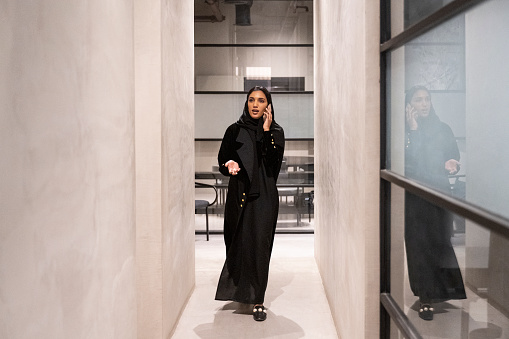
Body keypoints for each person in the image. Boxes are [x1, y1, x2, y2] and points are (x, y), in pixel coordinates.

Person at [214, 86, 285, 322]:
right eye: (251, 100)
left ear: (268, 106)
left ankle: (258, 300)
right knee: (237, 242)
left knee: (260, 247)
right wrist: (229, 164)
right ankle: (240, 290)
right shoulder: (233, 130)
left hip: (264, 196)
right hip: (239, 194)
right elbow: (223, 158)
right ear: (246, 103)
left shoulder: (275, 132)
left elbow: (274, 165)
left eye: (261, 101)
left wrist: (265, 131)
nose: (255, 104)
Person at [404, 85, 466, 321]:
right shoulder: (406, 133)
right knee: (420, 247)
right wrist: (413, 128)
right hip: (416, 196)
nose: (424, 104)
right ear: (409, 105)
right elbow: (411, 162)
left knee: (440, 242)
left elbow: (453, 154)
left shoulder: (443, 128)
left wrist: (452, 162)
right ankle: (425, 297)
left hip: (439, 193)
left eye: (427, 99)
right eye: (418, 100)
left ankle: (443, 291)